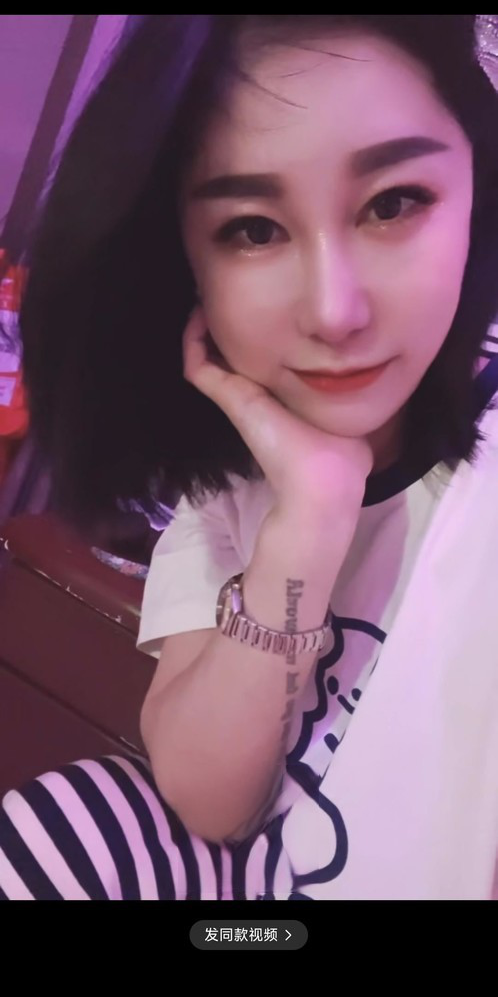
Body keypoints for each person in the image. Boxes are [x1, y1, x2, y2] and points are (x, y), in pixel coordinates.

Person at [1, 14, 498, 901]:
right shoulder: (230, 490)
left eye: (393, 203)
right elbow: (206, 800)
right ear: (186, 266)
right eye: (254, 230)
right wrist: (308, 523)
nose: (335, 310)